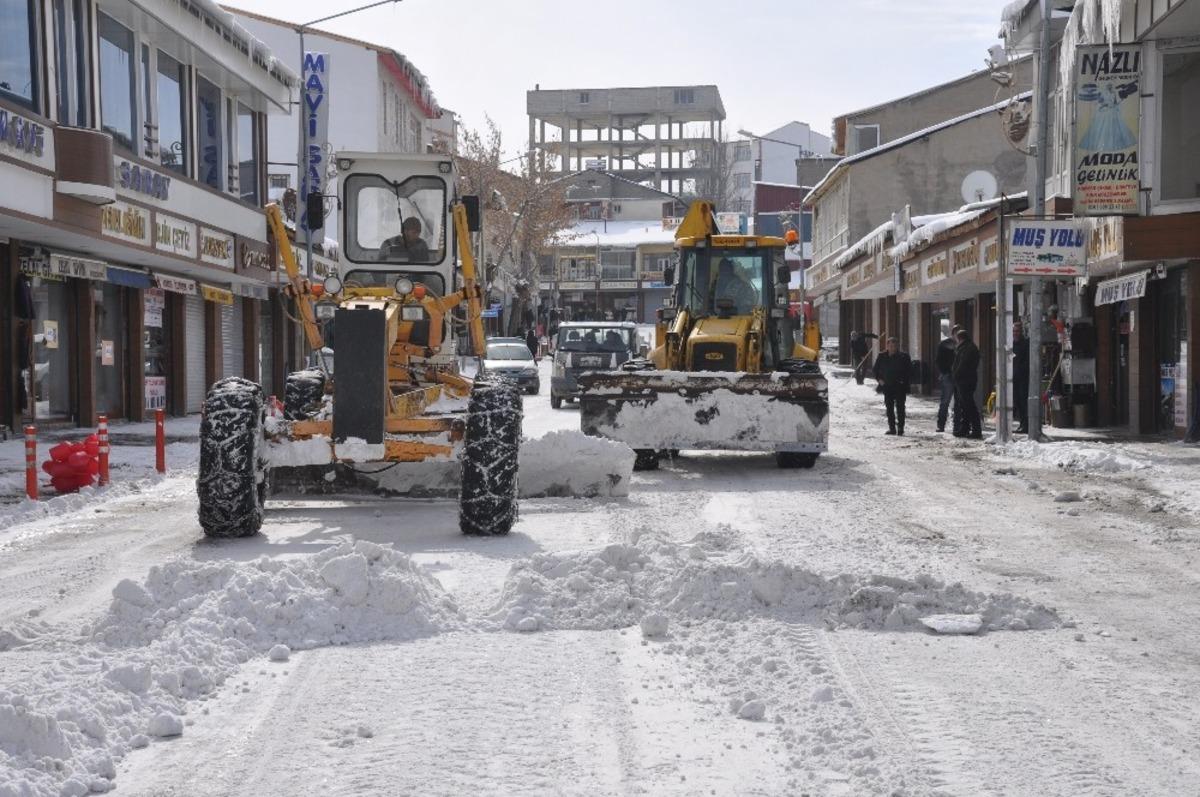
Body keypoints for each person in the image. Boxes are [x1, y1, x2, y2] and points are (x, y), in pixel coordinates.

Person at [873, 336, 912, 436]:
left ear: (897, 346)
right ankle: (892, 428)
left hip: (900, 386)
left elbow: (909, 371)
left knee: (900, 407)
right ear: (887, 346)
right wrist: (879, 380)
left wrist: (904, 381)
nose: (892, 348)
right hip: (887, 385)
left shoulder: (904, 357)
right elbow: (875, 370)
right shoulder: (882, 356)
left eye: (894, 346)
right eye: (890, 346)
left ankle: (900, 428)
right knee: (889, 407)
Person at [952, 328, 982, 439]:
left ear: (959, 338)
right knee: (964, 405)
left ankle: (976, 430)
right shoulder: (966, 347)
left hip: (965, 381)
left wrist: (955, 375)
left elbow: (962, 364)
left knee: (969, 405)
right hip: (964, 380)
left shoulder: (967, 348)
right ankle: (965, 428)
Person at [935, 325, 960, 433]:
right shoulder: (944, 345)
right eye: (957, 334)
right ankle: (941, 425)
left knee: (959, 402)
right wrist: (945, 372)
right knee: (945, 401)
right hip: (948, 376)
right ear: (953, 334)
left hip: (959, 377)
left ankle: (957, 425)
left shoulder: (962, 345)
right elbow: (939, 361)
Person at [1012, 321, 1030, 434]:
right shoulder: (1012, 344)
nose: (1015, 333)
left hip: (1023, 378)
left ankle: (1026, 425)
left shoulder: (1025, 344)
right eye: (1014, 331)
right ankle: (1021, 424)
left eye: (1017, 331)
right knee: (1017, 402)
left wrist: (1020, 371)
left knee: (1023, 402)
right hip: (1014, 378)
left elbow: (1026, 362)